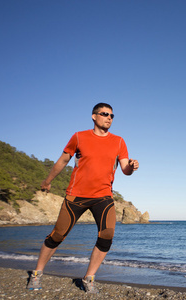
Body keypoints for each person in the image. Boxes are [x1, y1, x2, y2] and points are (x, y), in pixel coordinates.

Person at [26, 103, 139, 293]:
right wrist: (47, 181)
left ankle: (89, 278)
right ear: (94, 116)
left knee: (107, 236)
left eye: (112, 115)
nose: (109, 117)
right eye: (105, 114)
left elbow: (125, 169)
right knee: (57, 236)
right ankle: (36, 274)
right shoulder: (79, 137)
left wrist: (132, 166)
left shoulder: (119, 141)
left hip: (103, 196)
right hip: (76, 195)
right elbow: (63, 160)